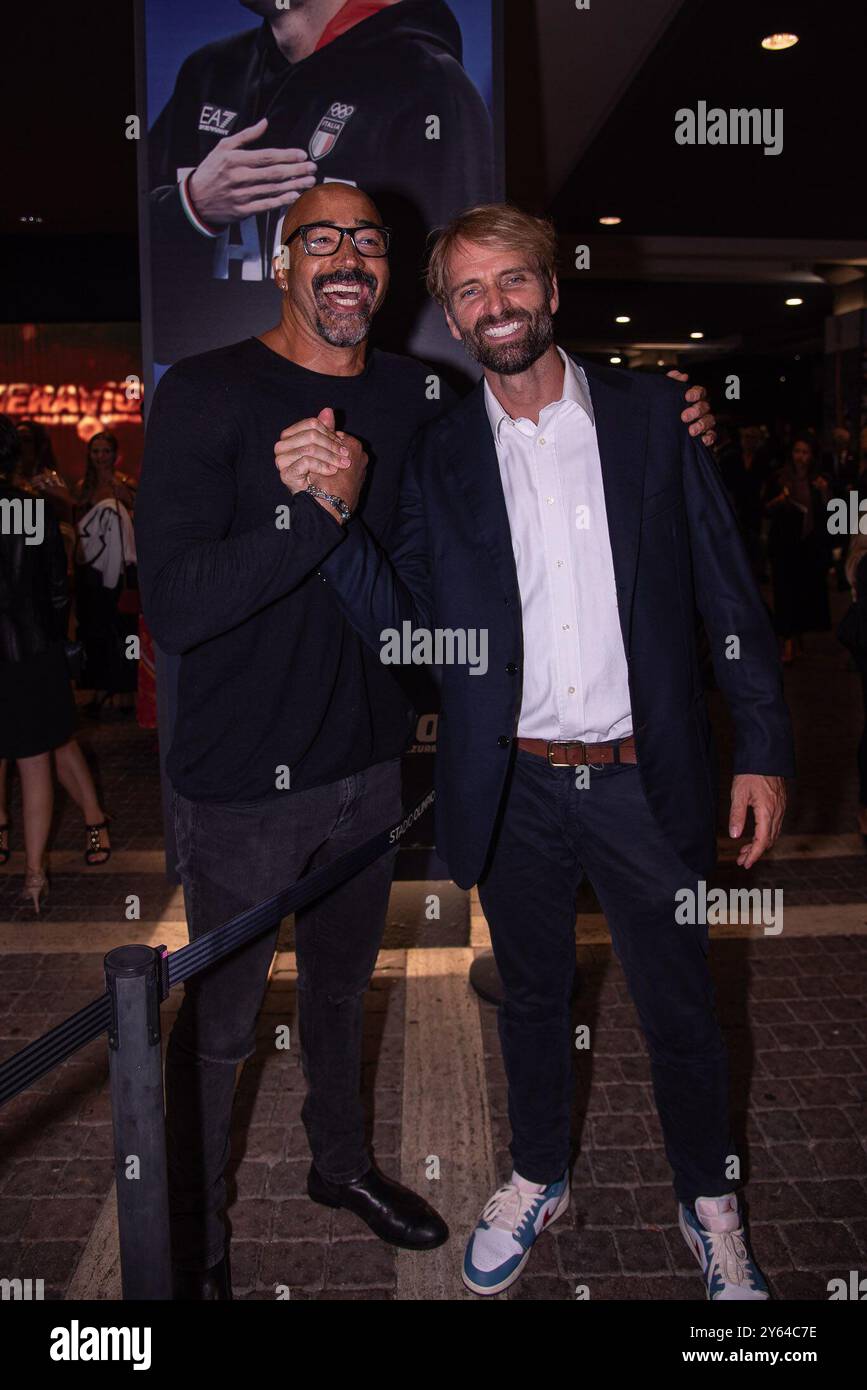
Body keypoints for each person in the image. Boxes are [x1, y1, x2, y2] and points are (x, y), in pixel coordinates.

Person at [135, 180, 717, 1300]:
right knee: (218, 1030)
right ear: (278, 260)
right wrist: (309, 513)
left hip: (368, 772)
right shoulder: (206, 394)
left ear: (391, 273)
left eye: (368, 240)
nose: (346, 258)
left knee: (348, 994)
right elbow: (178, 605)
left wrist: (675, 413)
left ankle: (339, 1166)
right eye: (320, 240)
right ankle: (193, 1245)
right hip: (238, 783)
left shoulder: (419, 398)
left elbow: (505, 493)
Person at [301, 203, 795, 1300]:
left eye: (512, 280)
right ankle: (536, 1173)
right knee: (530, 997)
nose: (497, 306)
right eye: (470, 291)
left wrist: (761, 744)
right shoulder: (436, 457)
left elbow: (727, 588)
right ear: (449, 314)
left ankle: (709, 1203)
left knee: (682, 1007)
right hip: (515, 780)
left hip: (642, 775)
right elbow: (415, 635)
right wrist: (336, 525)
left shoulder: (656, 415)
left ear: (553, 288)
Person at [147, 0, 495, 369]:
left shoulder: (429, 84)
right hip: (223, 406)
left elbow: (463, 291)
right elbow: (142, 303)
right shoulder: (208, 73)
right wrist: (191, 206)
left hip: (360, 409)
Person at [0, 415, 76, 911]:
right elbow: (55, 588)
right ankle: (33, 878)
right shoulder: (31, 509)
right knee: (34, 765)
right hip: (29, 652)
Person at [74, 433, 139, 717]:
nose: (100, 456)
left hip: (120, 569)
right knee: (94, 628)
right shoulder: (82, 488)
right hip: (90, 570)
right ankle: (99, 686)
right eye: (95, 451)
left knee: (121, 628)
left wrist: (127, 501)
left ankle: (124, 689)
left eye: (105, 451)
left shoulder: (125, 484)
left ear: (115, 454)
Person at [762, 435, 832, 664]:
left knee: (801, 594)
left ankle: (797, 638)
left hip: (807, 547)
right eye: (797, 451)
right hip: (784, 546)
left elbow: (830, 513)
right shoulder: (780, 477)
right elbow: (764, 508)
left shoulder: (817, 480)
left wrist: (824, 492)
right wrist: (780, 501)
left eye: (805, 452)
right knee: (784, 593)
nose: (801, 457)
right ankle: (787, 642)